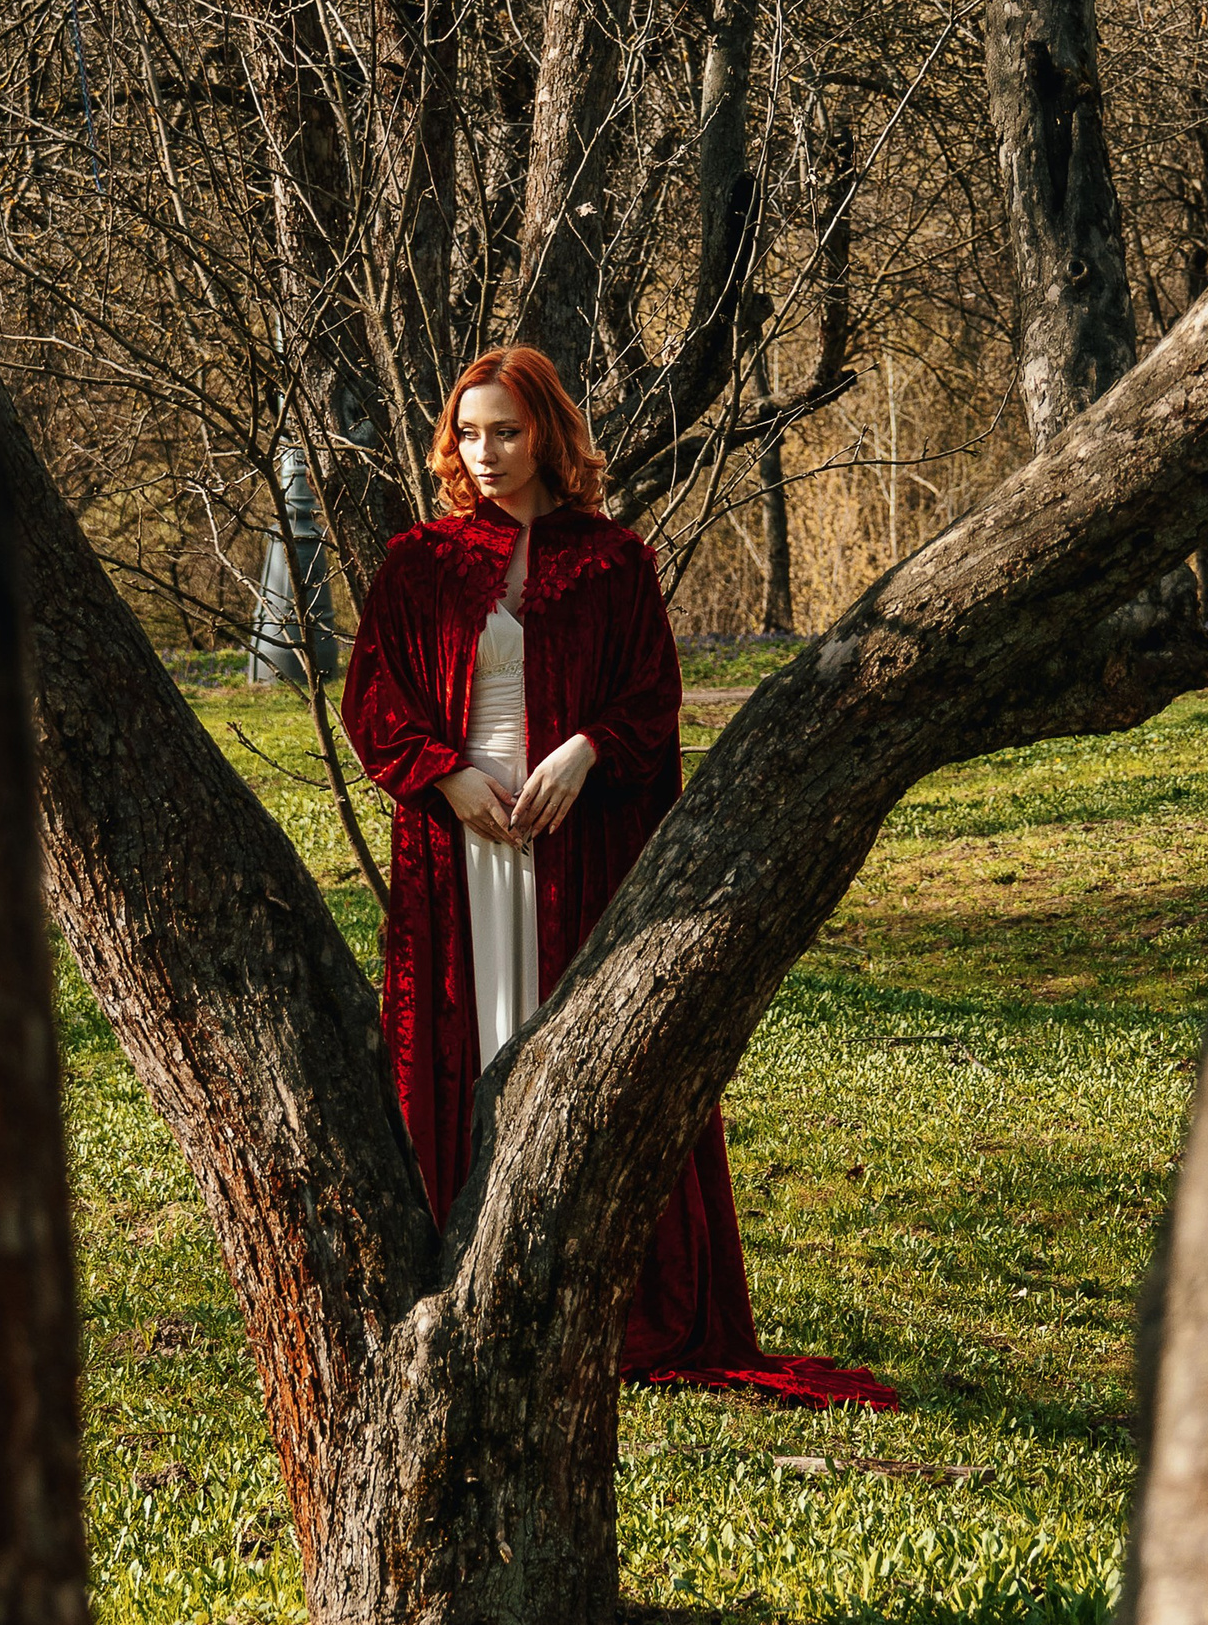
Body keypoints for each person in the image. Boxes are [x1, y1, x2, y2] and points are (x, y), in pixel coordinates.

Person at [340, 344, 896, 1408]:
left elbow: (650, 700)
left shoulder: (611, 562)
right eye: (468, 432)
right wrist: (445, 774)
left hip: (576, 839)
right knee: (469, 1033)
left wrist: (584, 749)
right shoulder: (418, 561)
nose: (485, 452)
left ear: (546, 431)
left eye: (505, 430)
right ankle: (465, 1275)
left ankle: (599, 1284)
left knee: (571, 1040)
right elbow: (375, 698)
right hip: (456, 838)